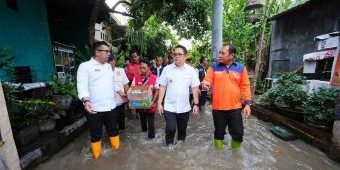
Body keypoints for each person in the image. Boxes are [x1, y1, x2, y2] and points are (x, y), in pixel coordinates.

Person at [201, 44, 252, 150]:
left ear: (231, 55)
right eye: (219, 52)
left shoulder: (241, 68)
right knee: (219, 133)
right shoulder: (214, 67)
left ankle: (235, 157)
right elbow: (207, 79)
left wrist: (247, 104)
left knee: (238, 134)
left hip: (235, 108)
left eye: (223, 53)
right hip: (218, 108)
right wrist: (205, 84)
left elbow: (245, 86)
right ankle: (218, 156)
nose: (219, 55)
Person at [76, 41, 120, 159]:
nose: (108, 54)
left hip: (111, 106)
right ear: (97, 52)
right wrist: (86, 101)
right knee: (95, 134)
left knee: (114, 130)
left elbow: (112, 84)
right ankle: (96, 159)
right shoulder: (85, 66)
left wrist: (123, 94)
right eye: (106, 51)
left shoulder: (108, 67)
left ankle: (117, 155)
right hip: (94, 109)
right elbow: (82, 85)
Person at [157, 45, 200, 146]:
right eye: (175, 54)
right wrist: (159, 103)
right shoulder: (167, 69)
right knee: (171, 128)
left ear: (185, 56)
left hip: (184, 107)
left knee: (182, 131)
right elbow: (162, 87)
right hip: (169, 106)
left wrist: (196, 104)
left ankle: (180, 151)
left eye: (179, 54)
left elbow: (195, 88)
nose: (177, 56)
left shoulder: (191, 70)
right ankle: (168, 148)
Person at [131, 59, 159, 139]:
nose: (142, 70)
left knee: (151, 126)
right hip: (140, 106)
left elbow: (157, 90)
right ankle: (143, 138)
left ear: (149, 67)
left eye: (144, 68)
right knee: (143, 125)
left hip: (151, 106)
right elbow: (132, 90)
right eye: (140, 68)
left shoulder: (154, 78)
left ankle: (150, 141)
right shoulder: (136, 78)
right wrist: (132, 102)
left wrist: (153, 101)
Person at [109, 56, 129, 130]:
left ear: (114, 61)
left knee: (122, 126)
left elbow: (126, 85)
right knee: (111, 126)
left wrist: (129, 99)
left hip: (120, 103)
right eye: (108, 61)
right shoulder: (103, 73)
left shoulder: (120, 71)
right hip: (109, 105)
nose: (110, 63)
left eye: (111, 60)